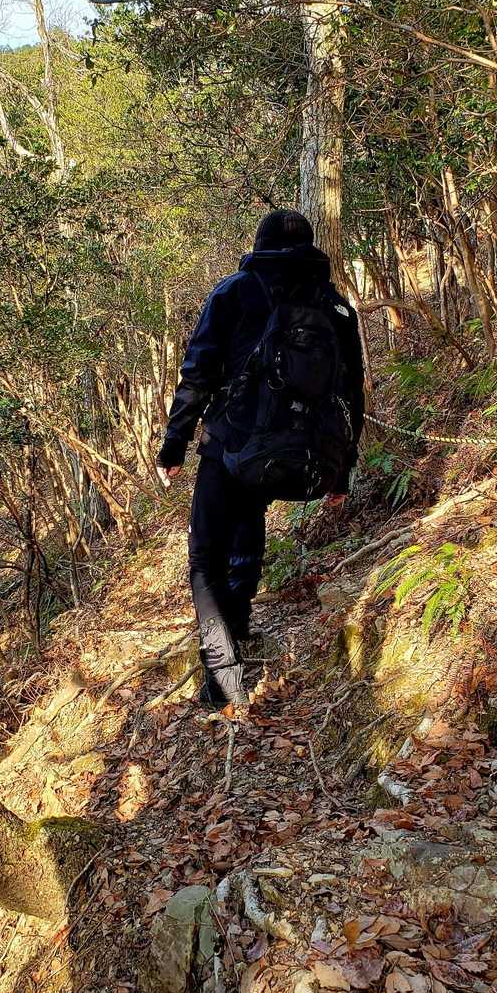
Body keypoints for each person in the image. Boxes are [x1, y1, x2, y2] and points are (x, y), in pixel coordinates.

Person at [157, 209, 364, 711]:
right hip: (300, 450)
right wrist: (343, 469)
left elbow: (198, 372)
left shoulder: (235, 291)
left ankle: (223, 676)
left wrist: (174, 443)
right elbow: (351, 392)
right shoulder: (336, 306)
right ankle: (241, 626)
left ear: (259, 244)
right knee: (247, 528)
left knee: (205, 557)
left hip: (231, 443)